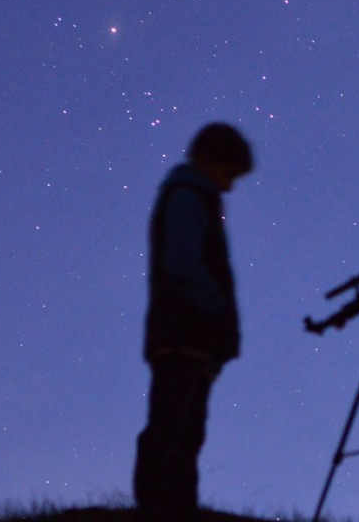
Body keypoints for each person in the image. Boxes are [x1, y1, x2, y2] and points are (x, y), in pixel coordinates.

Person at [134, 122, 254, 522]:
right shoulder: (188, 198)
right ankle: (158, 509)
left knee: (186, 433)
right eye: (227, 174)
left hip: (191, 337)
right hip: (183, 334)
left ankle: (177, 509)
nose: (229, 186)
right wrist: (215, 307)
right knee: (171, 430)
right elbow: (182, 264)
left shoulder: (196, 198)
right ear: (208, 160)